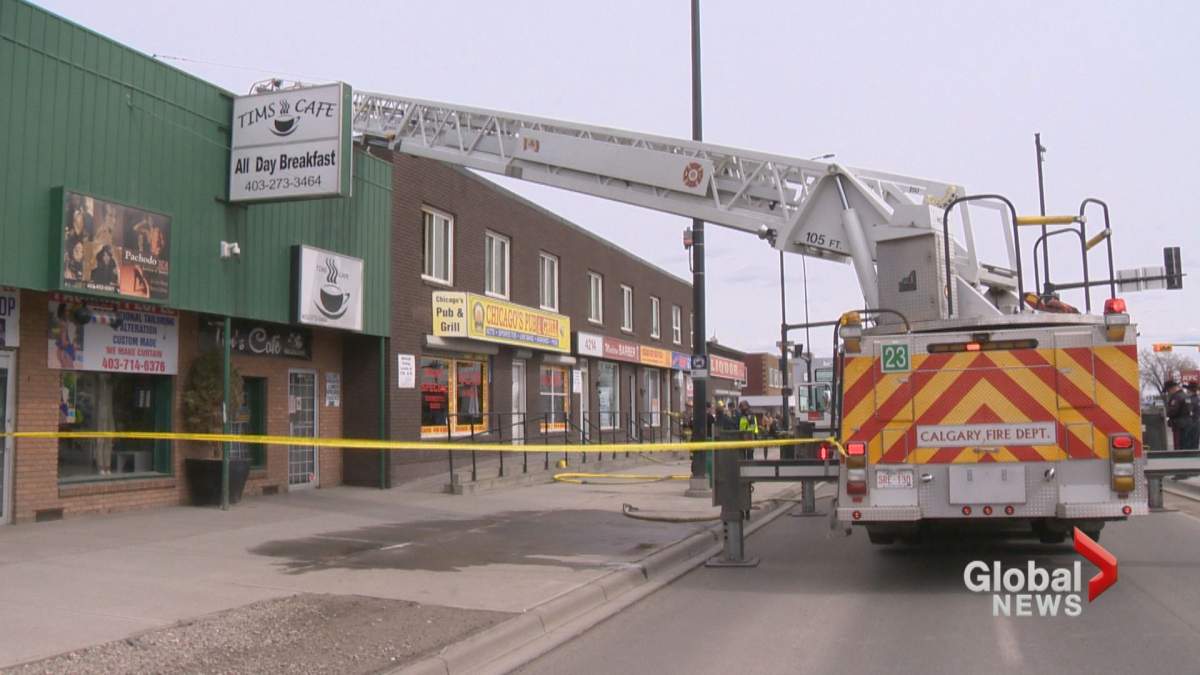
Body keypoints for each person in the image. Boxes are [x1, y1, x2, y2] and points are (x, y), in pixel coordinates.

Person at [1165, 380, 1190, 449]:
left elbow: (1173, 411)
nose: (1169, 392)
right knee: (1186, 444)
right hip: (1187, 423)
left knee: (1178, 445)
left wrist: (1166, 414)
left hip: (1178, 425)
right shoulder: (1186, 395)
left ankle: (1180, 458)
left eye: (1168, 390)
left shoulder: (1176, 397)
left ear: (1172, 388)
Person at [1185, 383, 1200, 450]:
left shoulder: (1189, 399)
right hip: (1197, 421)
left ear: (1190, 390)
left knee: (1189, 442)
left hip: (1191, 422)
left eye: (1187, 389)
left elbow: (1188, 411)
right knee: (1195, 441)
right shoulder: (1197, 398)